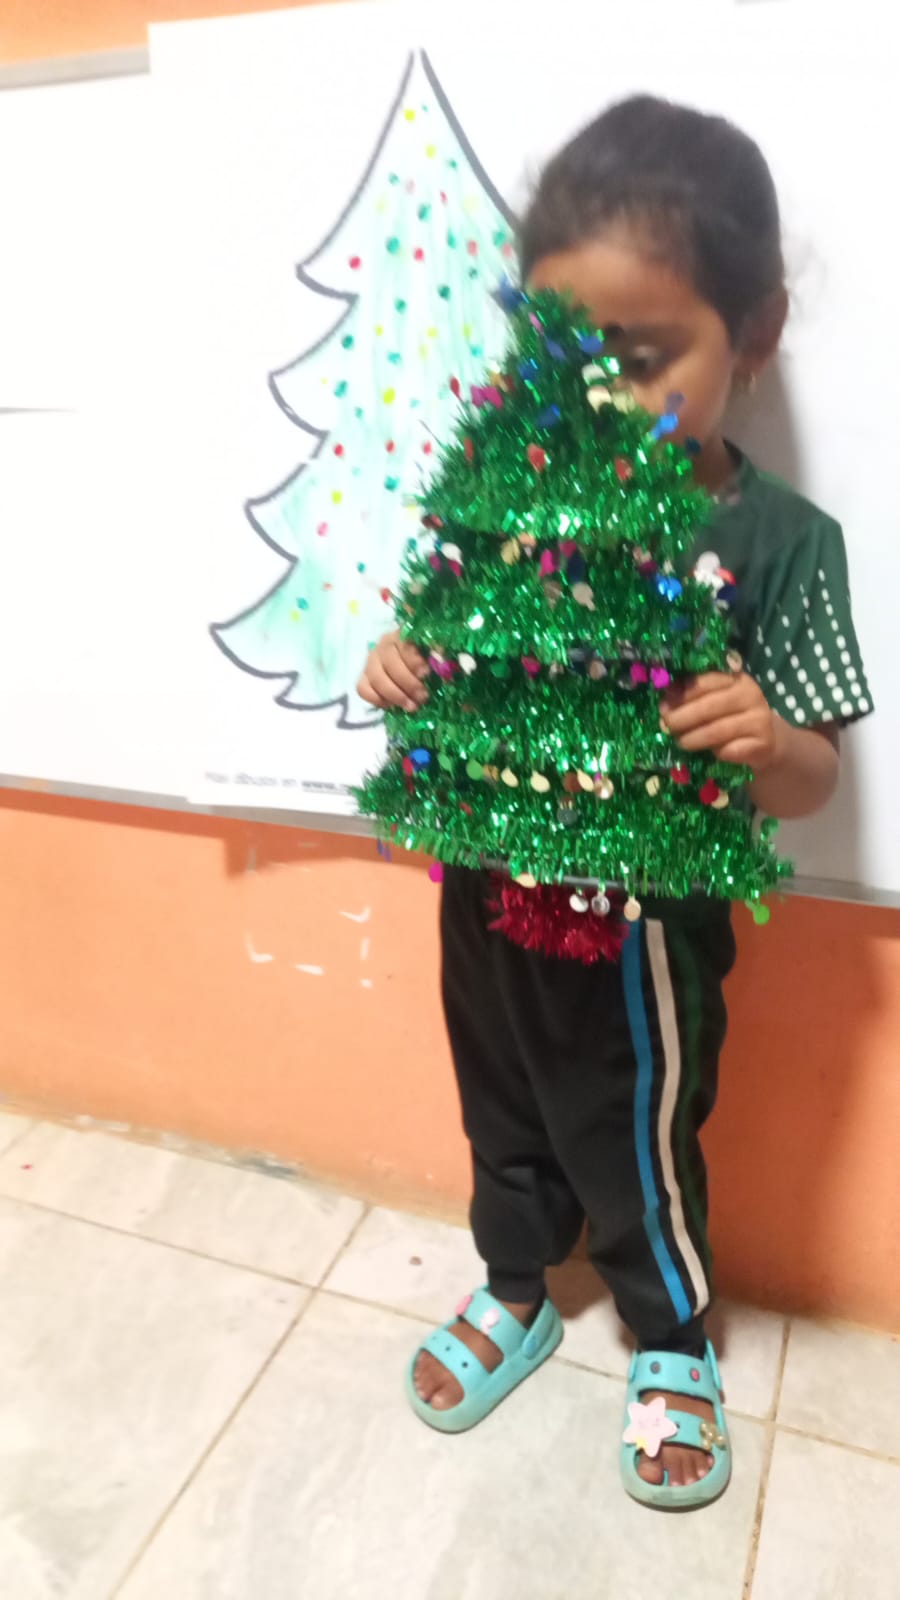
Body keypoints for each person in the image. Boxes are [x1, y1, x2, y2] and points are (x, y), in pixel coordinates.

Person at [357, 94, 872, 1509]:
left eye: (640, 359)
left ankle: (670, 1336)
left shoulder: (776, 539)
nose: (594, 394)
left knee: (635, 1123)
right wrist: (405, 665)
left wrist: (766, 737)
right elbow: (448, 655)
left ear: (753, 334)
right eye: (562, 352)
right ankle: (516, 1282)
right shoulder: (508, 502)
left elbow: (817, 770)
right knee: (500, 1092)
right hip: (486, 877)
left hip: (645, 918)